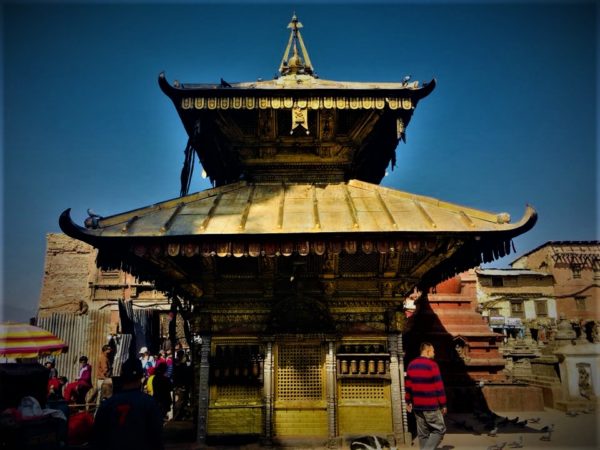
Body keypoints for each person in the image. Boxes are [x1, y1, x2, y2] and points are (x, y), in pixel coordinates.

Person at [92, 357, 164, 450]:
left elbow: (98, 437)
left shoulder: (108, 404)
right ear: (141, 377)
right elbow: (156, 438)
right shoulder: (149, 403)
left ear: (122, 377)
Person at [405, 342, 447, 450]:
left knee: (423, 434)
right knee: (440, 430)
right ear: (428, 351)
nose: (434, 353)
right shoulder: (432, 365)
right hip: (431, 406)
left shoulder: (411, 365)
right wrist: (443, 404)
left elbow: (408, 386)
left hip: (417, 406)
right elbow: (439, 386)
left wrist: (407, 401)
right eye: (433, 351)